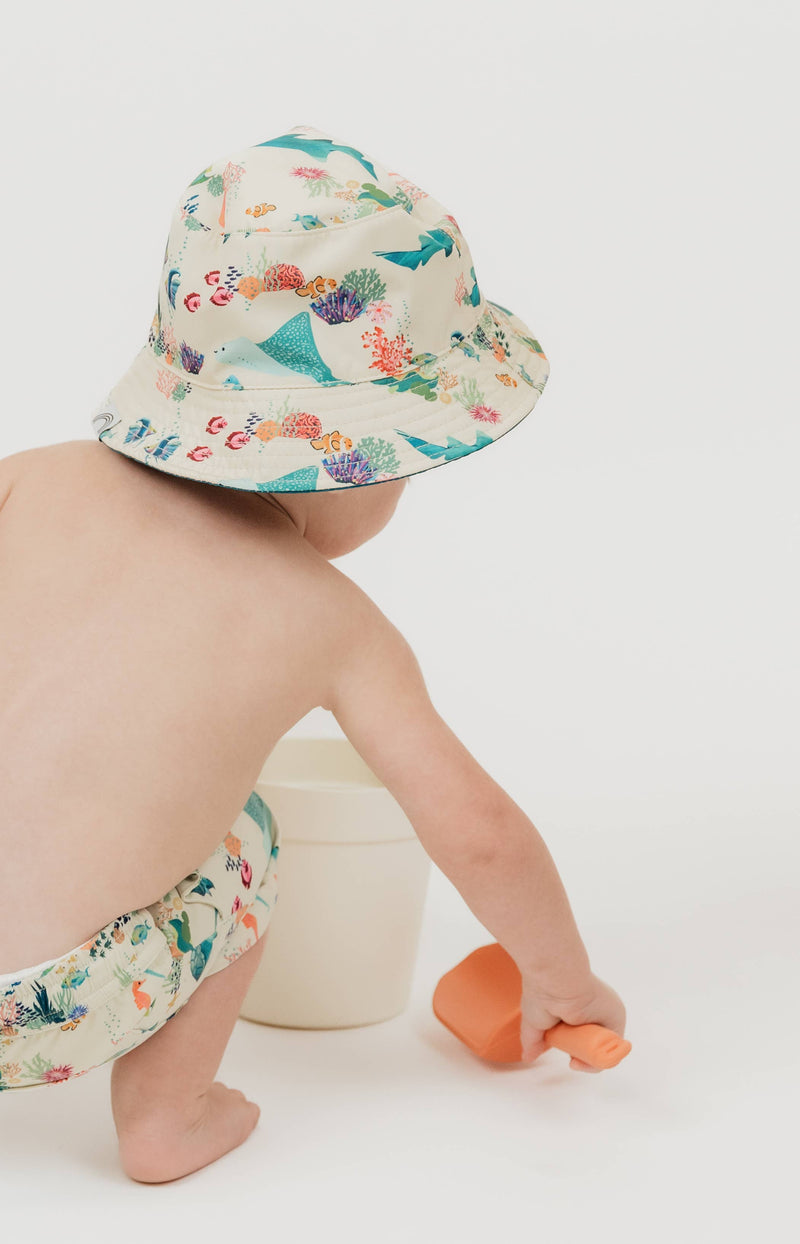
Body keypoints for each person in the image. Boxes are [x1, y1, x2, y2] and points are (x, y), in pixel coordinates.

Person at [0, 123, 626, 1183]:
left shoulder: (31, 476)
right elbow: (478, 833)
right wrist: (563, 980)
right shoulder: (332, 622)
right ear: (354, 459)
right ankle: (168, 1116)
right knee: (240, 837)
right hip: (42, 1009)